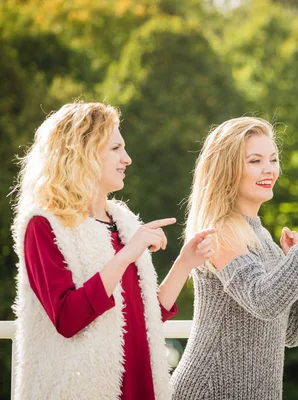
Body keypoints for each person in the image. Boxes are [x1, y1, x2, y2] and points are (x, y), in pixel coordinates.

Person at [11, 102, 215, 399]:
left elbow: (145, 316)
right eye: (116, 148)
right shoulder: (43, 225)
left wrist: (185, 263)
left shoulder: (123, 222)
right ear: (83, 152)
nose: (127, 159)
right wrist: (125, 255)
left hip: (141, 387)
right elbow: (68, 319)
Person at [170, 117, 298, 399]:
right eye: (255, 161)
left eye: (273, 159)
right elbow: (263, 301)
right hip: (210, 391)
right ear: (227, 170)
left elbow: (293, 331)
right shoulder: (221, 229)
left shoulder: (260, 234)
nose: (269, 170)